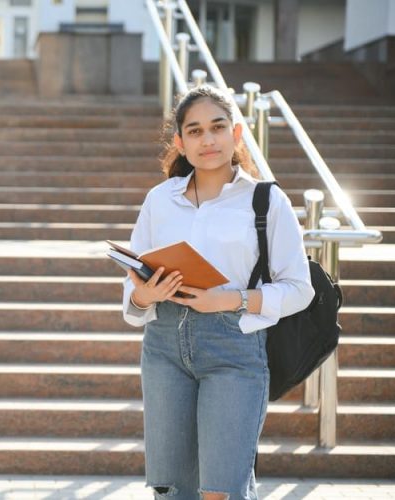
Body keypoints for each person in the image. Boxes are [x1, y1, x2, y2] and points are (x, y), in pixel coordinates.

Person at [120, 86, 314, 500]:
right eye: (195, 131)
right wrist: (144, 296)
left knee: (221, 491)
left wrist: (229, 299)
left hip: (234, 348)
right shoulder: (160, 199)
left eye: (217, 127)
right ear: (180, 143)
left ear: (237, 133)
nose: (207, 139)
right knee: (171, 491)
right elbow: (132, 294)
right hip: (164, 349)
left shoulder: (266, 200)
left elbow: (299, 289)